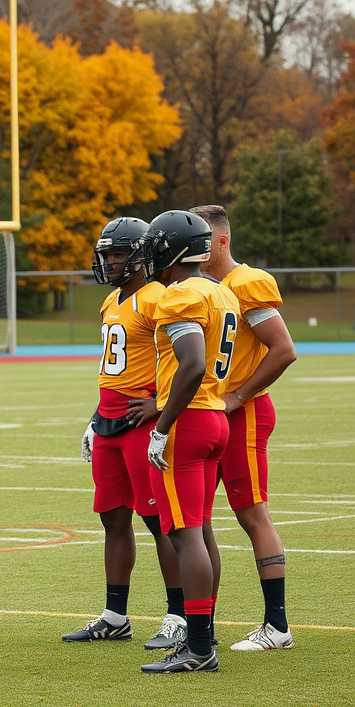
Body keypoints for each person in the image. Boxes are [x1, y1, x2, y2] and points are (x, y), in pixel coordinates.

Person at [63, 218, 187, 650]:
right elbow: (111, 370)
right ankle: (116, 616)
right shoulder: (113, 301)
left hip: (142, 421)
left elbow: (185, 359)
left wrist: (160, 404)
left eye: (117, 254)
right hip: (110, 420)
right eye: (107, 255)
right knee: (112, 517)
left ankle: (179, 616)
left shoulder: (160, 298)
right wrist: (94, 418)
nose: (109, 262)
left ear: (138, 256)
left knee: (160, 522)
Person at [136, 210, 241, 674]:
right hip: (216, 417)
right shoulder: (220, 290)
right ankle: (205, 633)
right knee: (201, 529)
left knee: (185, 534)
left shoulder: (179, 294)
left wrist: (161, 426)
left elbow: (192, 364)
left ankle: (198, 647)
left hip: (190, 420)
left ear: (171, 248)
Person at [191, 204, 297, 652]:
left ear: (222, 240)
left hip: (243, 412)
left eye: (200, 240)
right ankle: (196, 624)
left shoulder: (245, 283)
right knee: (196, 516)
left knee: (251, 512)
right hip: (212, 413)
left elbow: (283, 349)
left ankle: (277, 626)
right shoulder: (199, 288)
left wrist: (238, 396)